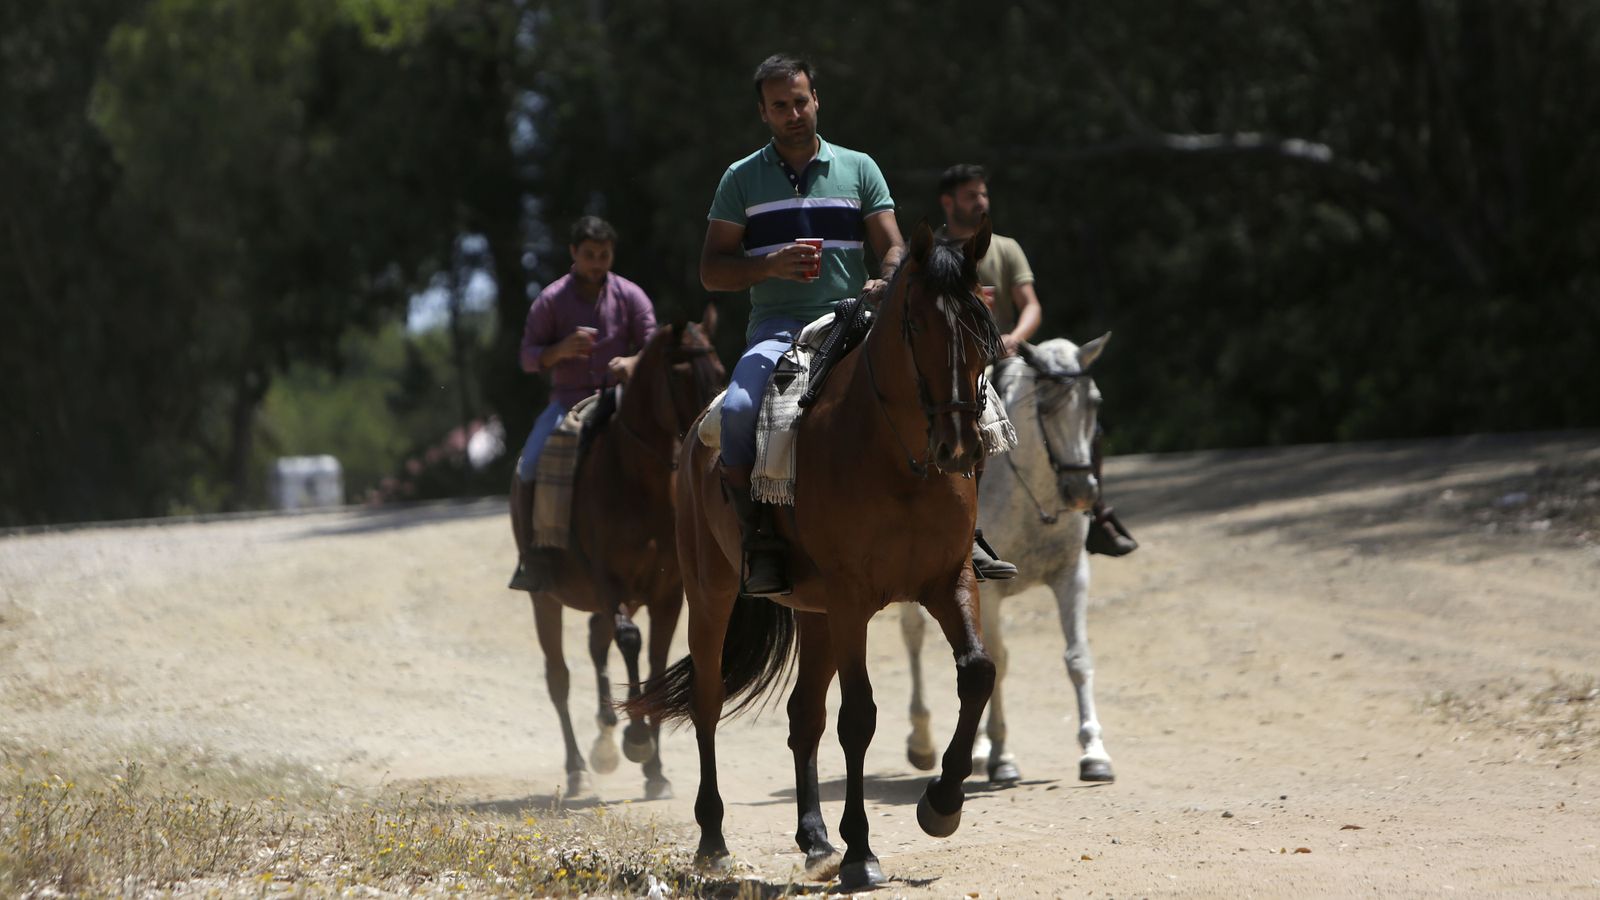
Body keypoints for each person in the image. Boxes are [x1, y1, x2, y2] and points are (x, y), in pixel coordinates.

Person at [938, 164, 1138, 557]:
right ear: (948, 202)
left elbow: (1030, 306)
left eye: (984, 194)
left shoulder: (1006, 247)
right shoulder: (935, 253)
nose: (981, 202)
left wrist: (1014, 338)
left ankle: (1094, 513)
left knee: (1077, 403)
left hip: (1007, 359)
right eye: (971, 196)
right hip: (952, 366)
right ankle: (958, 524)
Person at [508, 215, 657, 591]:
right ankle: (532, 557)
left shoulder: (630, 295)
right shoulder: (551, 300)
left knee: (671, 452)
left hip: (619, 400)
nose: (597, 263)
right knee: (529, 466)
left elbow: (655, 347)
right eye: (589, 254)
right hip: (567, 402)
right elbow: (527, 356)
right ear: (573, 253)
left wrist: (632, 362)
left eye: (604, 255)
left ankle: (673, 542)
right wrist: (558, 351)